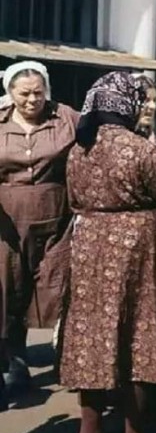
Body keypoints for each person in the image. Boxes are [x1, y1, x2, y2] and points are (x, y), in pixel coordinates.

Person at [60, 72, 156, 433]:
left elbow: (73, 196)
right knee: (140, 334)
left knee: (91, 333)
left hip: (89, 241)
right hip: (138, 244)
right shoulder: (140, 149)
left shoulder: (79, 147)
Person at [0, 61, 78, 403]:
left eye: (38, 92)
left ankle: (71, 362)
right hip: (7, 221)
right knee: (9, 291)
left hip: (55, 219)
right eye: (24, 93)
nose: (32, 100)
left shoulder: (65, 118)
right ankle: (15, 365)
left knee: (57, 288)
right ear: (10, 92)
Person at [133, 75, 156, 144]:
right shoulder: (120, 139)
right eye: (146, 100)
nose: (153, 106)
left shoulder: (153, 140)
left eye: (155, 100)